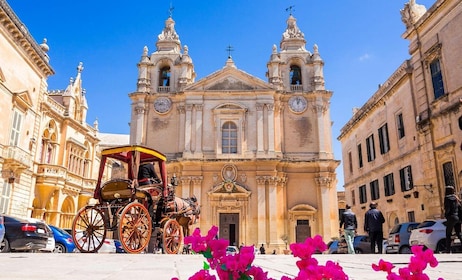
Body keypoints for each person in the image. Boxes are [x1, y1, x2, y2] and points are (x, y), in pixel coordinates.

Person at [444, 186, 462, 253]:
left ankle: (448, 250)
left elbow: (447, 209)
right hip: (458, 218)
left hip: (451, 217)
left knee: (448, 234)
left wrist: (446, 215)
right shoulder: (456, 198)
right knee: (459, 233)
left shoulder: (447, 198)